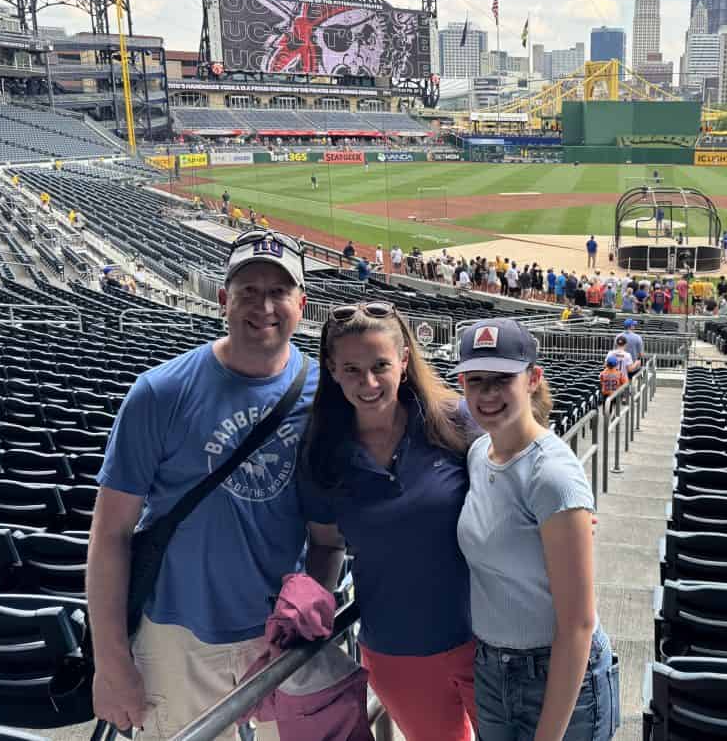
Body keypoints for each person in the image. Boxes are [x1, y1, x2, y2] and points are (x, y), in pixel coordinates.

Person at [88, 231, 342, 738]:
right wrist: (111, 664)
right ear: (224, 300)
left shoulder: (326, 397)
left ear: (302, 304)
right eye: (248, 290)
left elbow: (326, 536)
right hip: (177, 637)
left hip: (278, 636)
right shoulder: (159, 392)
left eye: (279, 292)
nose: (264, 306)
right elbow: (110, 534)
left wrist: (310, 614)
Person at [298, 302, 479, 740]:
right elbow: (325, 544)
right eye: (352, 369)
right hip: (398, 654)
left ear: (403, 360)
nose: (369, 382)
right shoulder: (322, 452)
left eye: (380, 364)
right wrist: (312, 609)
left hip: (490, 640)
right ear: (332, 370)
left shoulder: (456, 422)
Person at [453, 320, 620, 741]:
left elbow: (578, 625)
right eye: (476, 381)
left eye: (501, 379)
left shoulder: (553, 477)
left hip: (558, 676)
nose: (488, 394)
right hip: (492, 670)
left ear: (533, 379)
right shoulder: (477, 452)